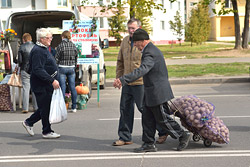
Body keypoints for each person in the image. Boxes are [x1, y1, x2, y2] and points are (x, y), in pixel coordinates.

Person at [113, 28, 191, 152]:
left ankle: (183, 134)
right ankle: (148, 143)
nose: (135, 46)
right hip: (150, 91)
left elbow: (142, 69)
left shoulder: (150, 52)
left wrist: (123, 80)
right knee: (147, 118)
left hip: (157, 92)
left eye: (136, 43)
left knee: (162, 118)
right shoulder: (148, 50)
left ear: (143, 41)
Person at [112, 18, 168, 146]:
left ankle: (162, 131)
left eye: (133, 28)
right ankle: (125, 137)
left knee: (146, 110)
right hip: (127, 81)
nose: (131, 31)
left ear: (139, 28)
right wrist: (119, 78)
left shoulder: (145, 43)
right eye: (129, 28)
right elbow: (120, 61)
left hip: (140, 82)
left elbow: (146, 67)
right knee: (125, 109)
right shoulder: (125, 41)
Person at [22, 28, 61, 139]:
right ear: (42, 39)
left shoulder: (42, 49)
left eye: (51, 37)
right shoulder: (38, 51)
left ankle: (29, 122)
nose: (51, 40)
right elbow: (37, 69)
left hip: (44, 84)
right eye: (48, 38)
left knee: (45, 107)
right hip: (41, 85)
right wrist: (51, 80)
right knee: (46, 108)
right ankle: (46, 131)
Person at [55, 30, 78, 113]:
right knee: (72, 87)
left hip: (62, 68)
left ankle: (63, 106)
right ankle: (74, 106)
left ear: (62, 37)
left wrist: (56, 67)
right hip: (71, 68)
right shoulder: (73, 45)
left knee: (62, 87)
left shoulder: (60, 46)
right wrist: (74, 66)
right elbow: (76, 57)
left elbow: (56, 58)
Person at [17, 33, 38, 113]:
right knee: (34, 89)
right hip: (34, 70)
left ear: (23, 39)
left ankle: (25, 108)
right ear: (31, 39)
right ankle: (36, 107)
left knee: (26, 89)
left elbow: (20, 61)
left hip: (25, 70)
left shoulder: (21, 47)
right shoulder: (36, 47)